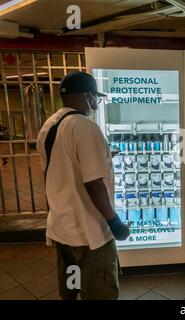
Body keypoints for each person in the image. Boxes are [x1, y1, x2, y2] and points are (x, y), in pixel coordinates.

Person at [36, 71, 130, 300]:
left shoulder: (49, 125)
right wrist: (114, 223)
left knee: (72, 286)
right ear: (88, 96)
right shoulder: (86, 127)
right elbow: (94, 185)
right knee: (100, 291)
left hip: (63, 229)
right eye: (96, 98)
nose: (96, 103)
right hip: (90, 234)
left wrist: (106, 154)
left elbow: (64, 164)